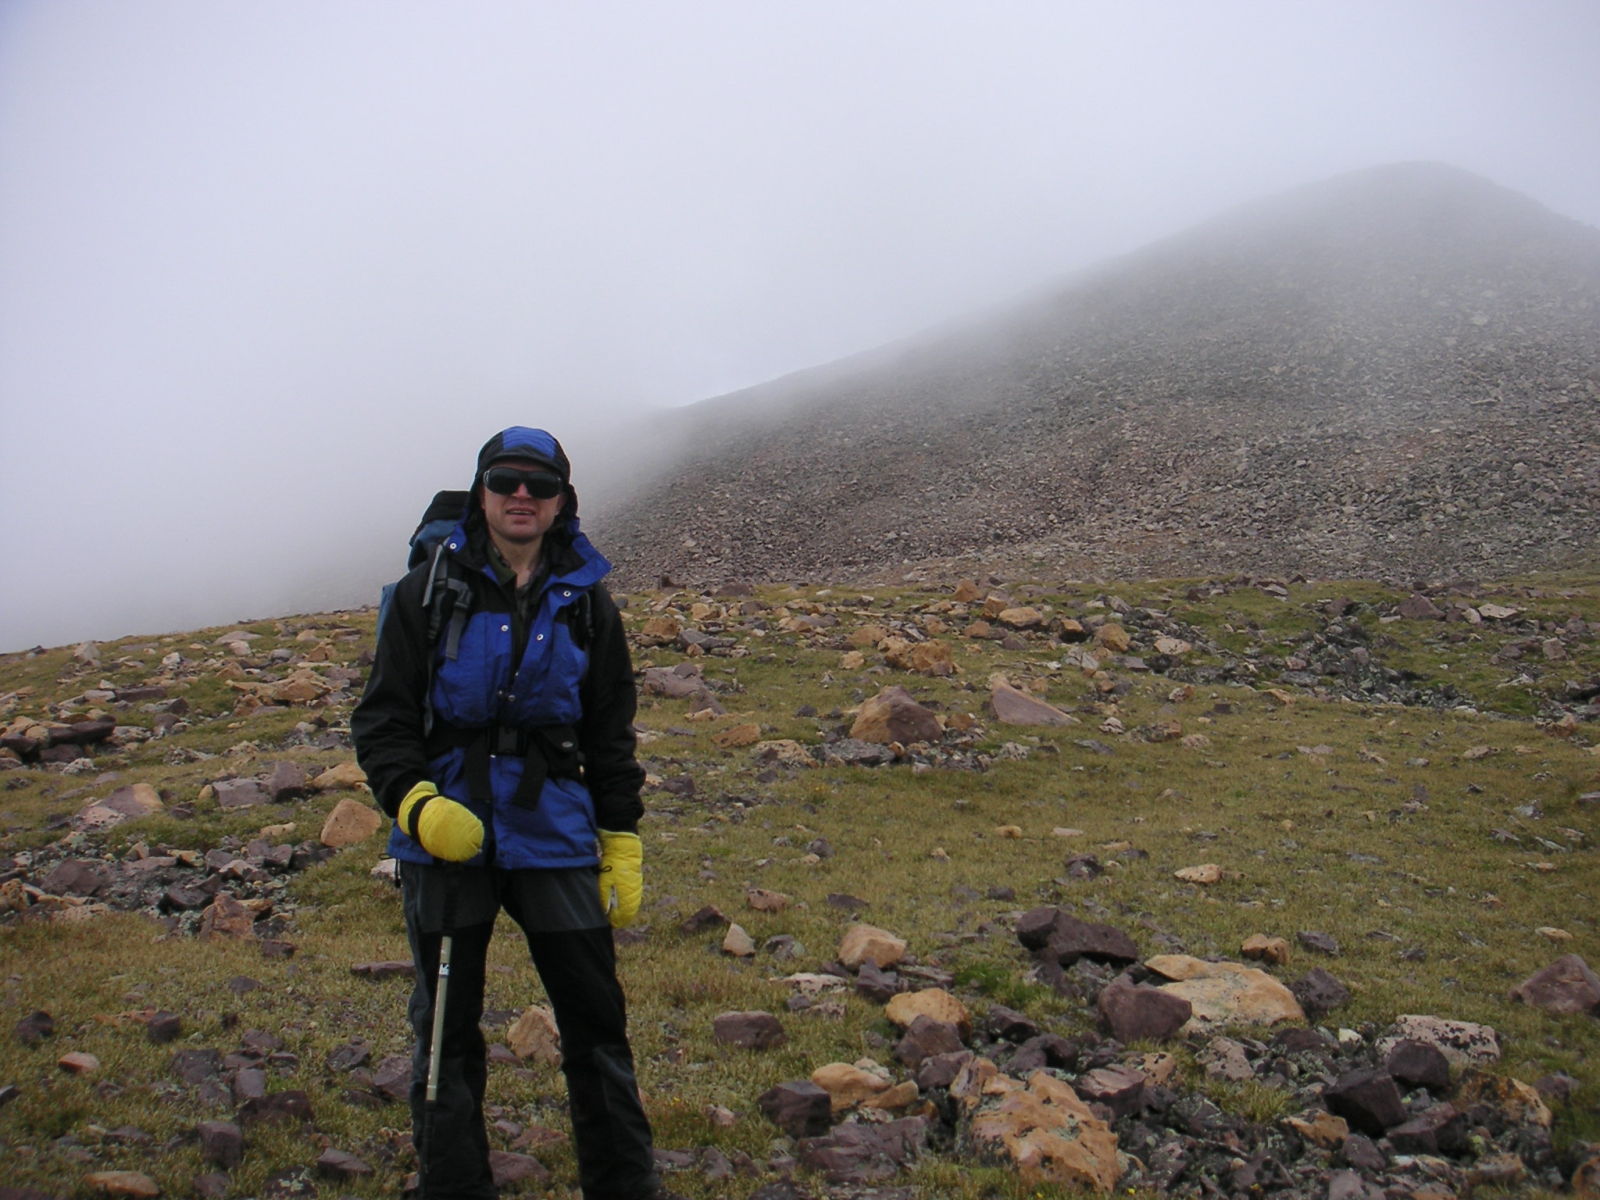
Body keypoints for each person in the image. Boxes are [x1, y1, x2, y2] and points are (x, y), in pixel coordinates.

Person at [353, 426, 662, 1200]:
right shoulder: (426, 593)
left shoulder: (588, 602)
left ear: (562, 501)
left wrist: (620, 837)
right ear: (481, 491)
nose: (522, 494)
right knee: (446, 1030)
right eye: (505, 479)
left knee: (595, 1021)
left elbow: (610, 733)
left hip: (554, 831)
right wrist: (417, 806)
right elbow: (383, 722)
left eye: (540, 483)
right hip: (446, 834)